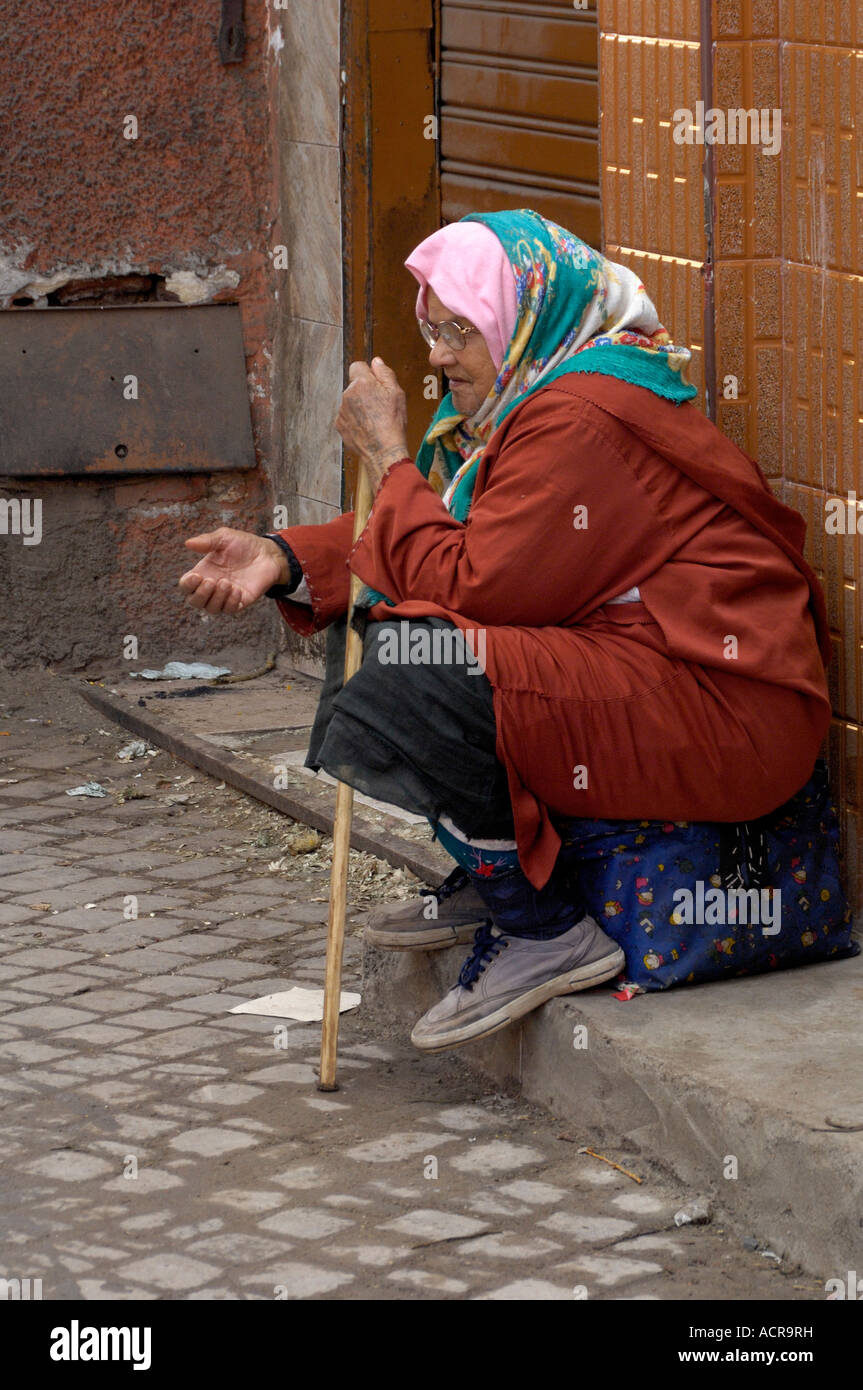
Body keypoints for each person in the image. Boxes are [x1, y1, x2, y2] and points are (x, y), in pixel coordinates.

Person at [179, 209, 831, 1054]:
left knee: (422, 658)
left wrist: (387, 452)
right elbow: (463, 533)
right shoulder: (544, 394)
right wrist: (282, 556)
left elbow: (476, 581)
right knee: (394, 642)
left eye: (460, 330)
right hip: (642, 672)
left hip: (722, 708)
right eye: (432, 330)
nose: (439, 355)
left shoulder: (582, 416)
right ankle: (497, 880)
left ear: (525, 317)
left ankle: (540, 926)